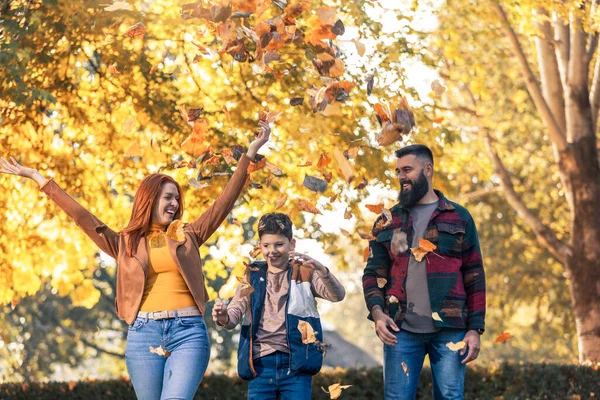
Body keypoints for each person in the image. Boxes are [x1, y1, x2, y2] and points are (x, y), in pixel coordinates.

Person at [0, 121, 271, 400]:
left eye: (177, 199)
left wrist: (250, 153)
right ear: (149, 200)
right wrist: (40, 180)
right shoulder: (125, 243)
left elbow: (223, 202)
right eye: (168, 198)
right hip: (144, 333)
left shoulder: (188, 234)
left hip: (188, 333)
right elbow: (83, 218)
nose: (175, 204)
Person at [362, 144, 486, 400]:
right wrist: (377, 313)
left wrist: (475, 329)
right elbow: (374, 273)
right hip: (401, 329)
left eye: (407, 169)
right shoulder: (389, 221)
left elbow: (474, 275)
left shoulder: (459, 217)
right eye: (398, 171)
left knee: (451, 397)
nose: (401, 176)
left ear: (428, 169)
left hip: (451, 328)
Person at [212, 212, 345, 400]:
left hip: (296, 364)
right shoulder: (252, 275)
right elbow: (235, 312)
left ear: (292, 244)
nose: (272, 251)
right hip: (260, 365)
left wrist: (322, 270)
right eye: (266, 245)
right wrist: (224, 317)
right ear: (260, 246)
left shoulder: (305, 272)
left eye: (279, 244)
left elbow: (337, 295)